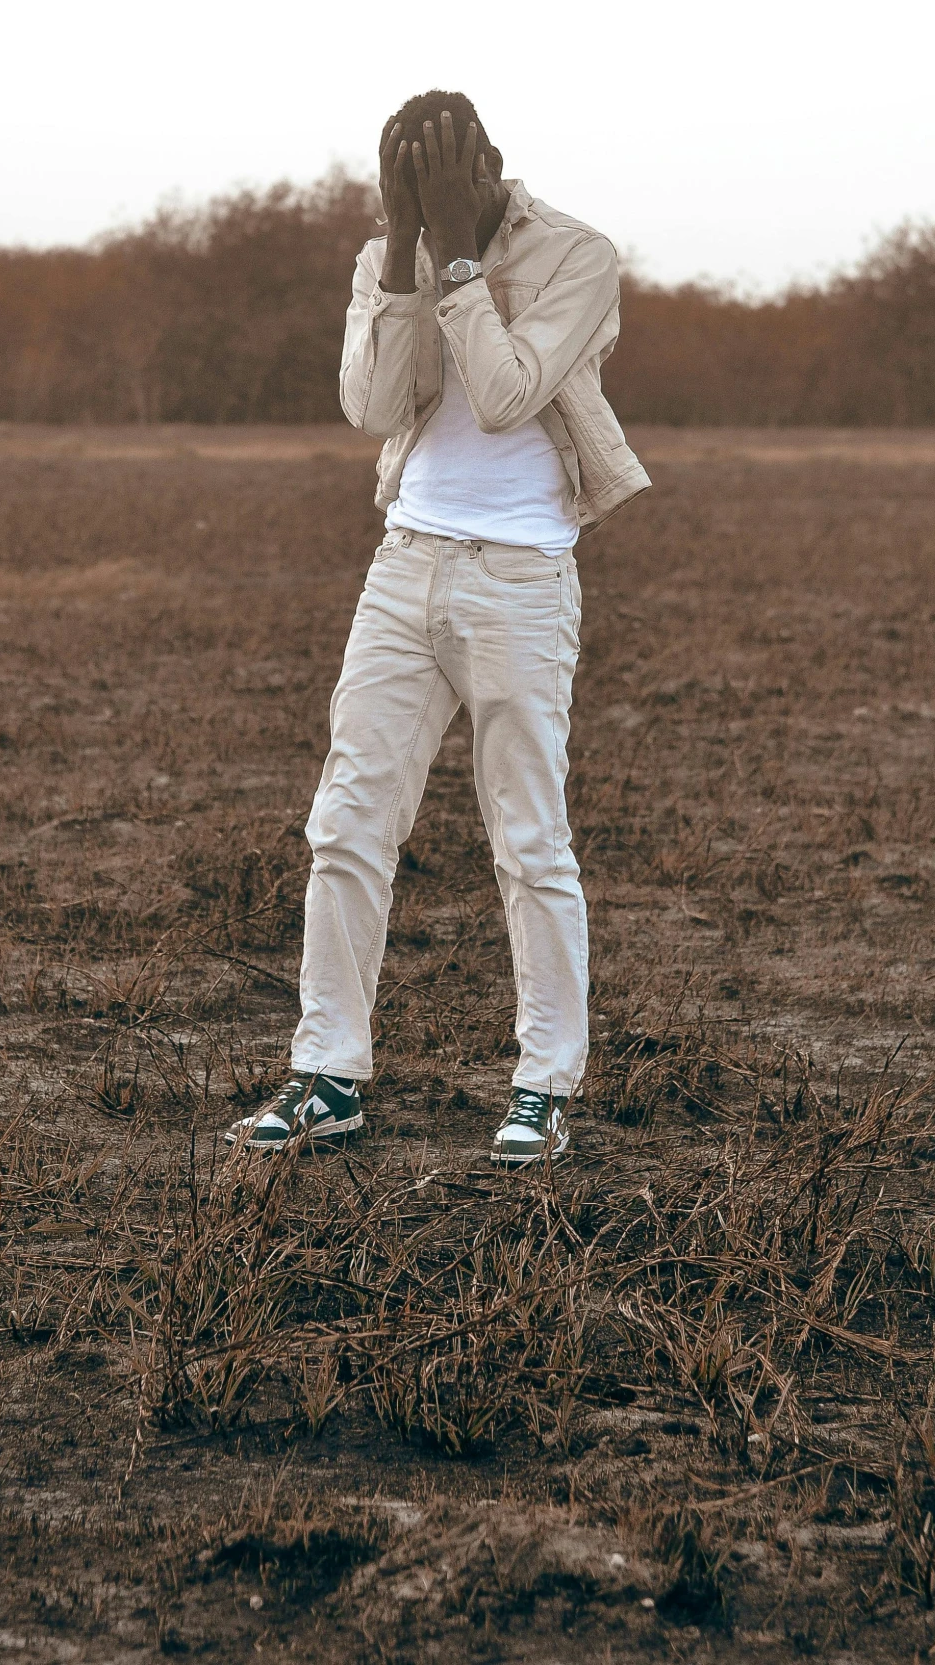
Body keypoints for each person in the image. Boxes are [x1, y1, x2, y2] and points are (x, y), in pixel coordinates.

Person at [226, 93, 651, 1165]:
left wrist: (461, 260)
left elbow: (507, 396)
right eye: (405, 177)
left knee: (529, 837)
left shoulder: (578, 255)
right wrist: (407, 255)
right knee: (346, 823)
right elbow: (375, 404)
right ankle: (328, 1074)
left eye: (444, 173)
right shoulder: (391, 250)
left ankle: (544, 1086)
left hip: (519, 574)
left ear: (493, 166)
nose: (423, 195)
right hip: (404, 562)